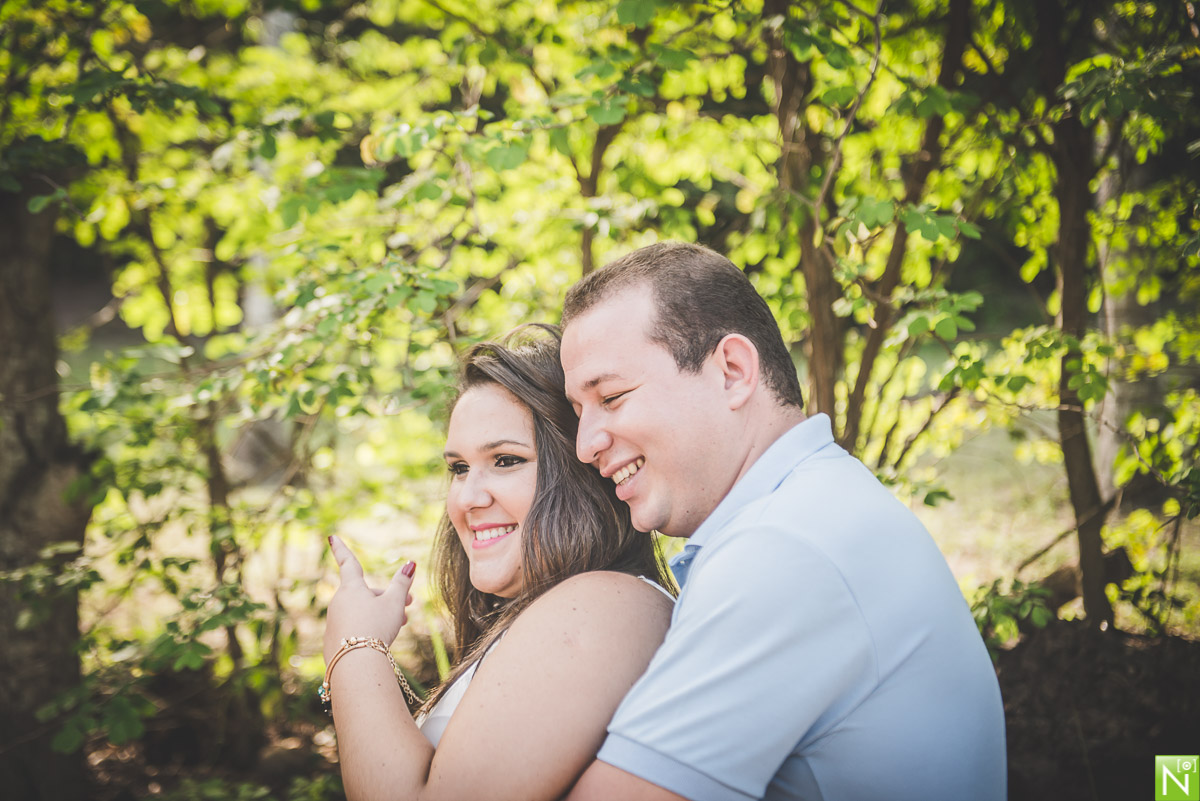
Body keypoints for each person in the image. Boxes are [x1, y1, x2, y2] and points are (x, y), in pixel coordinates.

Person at [558, 241, 1007, 801]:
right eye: (579, 413)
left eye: (613, 397)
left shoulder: (782, 548)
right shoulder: (816, 504)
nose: (584, 446)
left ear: (732, 372)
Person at [322, 325, 675, 801]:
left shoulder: (604, 603)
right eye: (459, 468)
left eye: (506, 461)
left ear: (585, 472)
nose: (467, 497)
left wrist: (354, 648)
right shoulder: (563, 610)